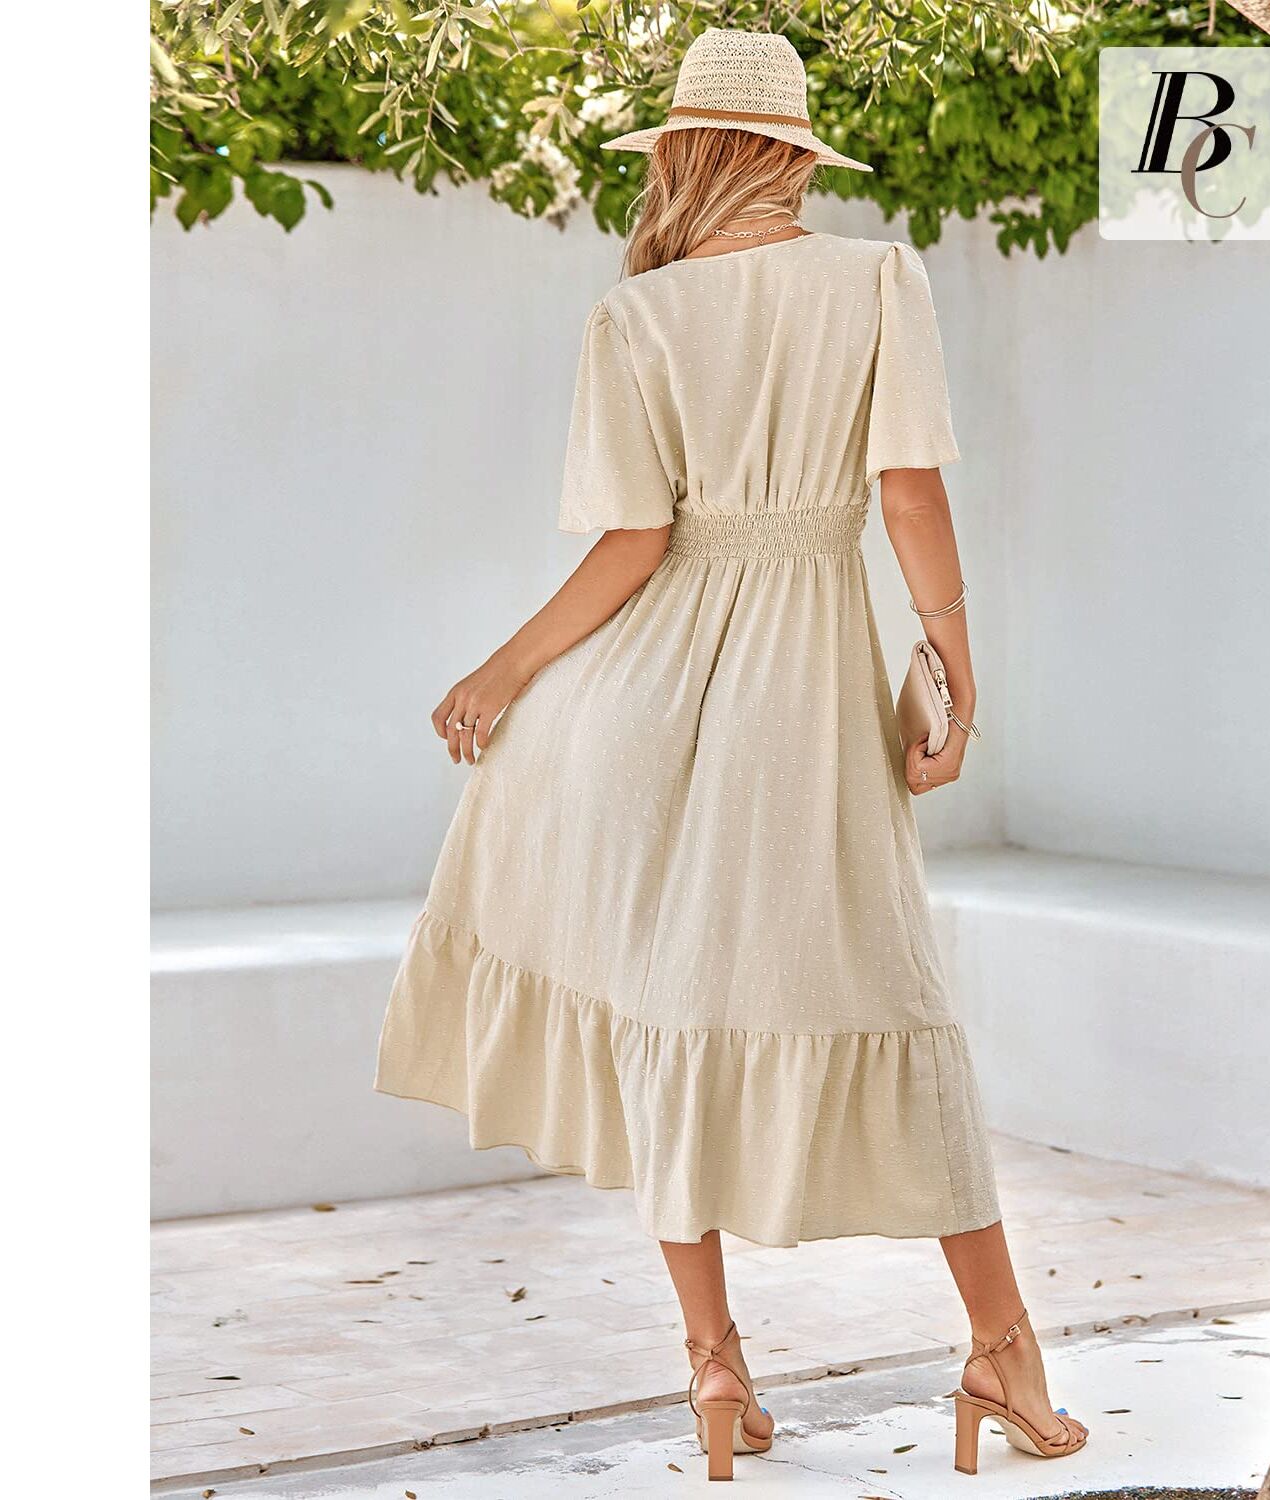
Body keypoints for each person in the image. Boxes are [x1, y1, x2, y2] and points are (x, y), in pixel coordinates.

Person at [376, 25, 1087, 1481]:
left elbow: (636, 544)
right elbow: (908, 495)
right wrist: (954, 655)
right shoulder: (876, 279)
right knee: (895, 1001)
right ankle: (1002, 1352)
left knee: (673, 1019)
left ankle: (714, 1372)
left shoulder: (635, 314)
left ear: (687, 153)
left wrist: (502, 674)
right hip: (805, 698)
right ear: (790, 154)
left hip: (643, 705)